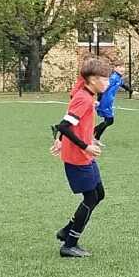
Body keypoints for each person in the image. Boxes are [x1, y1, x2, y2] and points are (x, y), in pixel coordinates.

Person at [51, 57, 111, 258]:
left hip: (85, 156)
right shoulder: (83, 98)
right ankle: (69, 245)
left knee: (99, 194)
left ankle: (66, 231)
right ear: (92, 80)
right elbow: (64, 126)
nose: (108, 82)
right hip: (78, 157)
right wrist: (86, 146)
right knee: (91, 197)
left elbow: (71, 121)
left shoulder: (87, 92)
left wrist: (86, 142)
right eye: (105, 78)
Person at [93, 69, 132, 140]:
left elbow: (122, 85)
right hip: (105, 101)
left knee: (108, 121)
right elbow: (102, 88)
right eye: (120, 67)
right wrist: (98, 100)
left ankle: (96, 137)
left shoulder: (118, 78)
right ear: (115, 68)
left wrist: (131, 91)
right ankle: (94, 132)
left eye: (123, 67)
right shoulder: (113, 78)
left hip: (109, 102)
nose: (122, 69)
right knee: (109, 120)